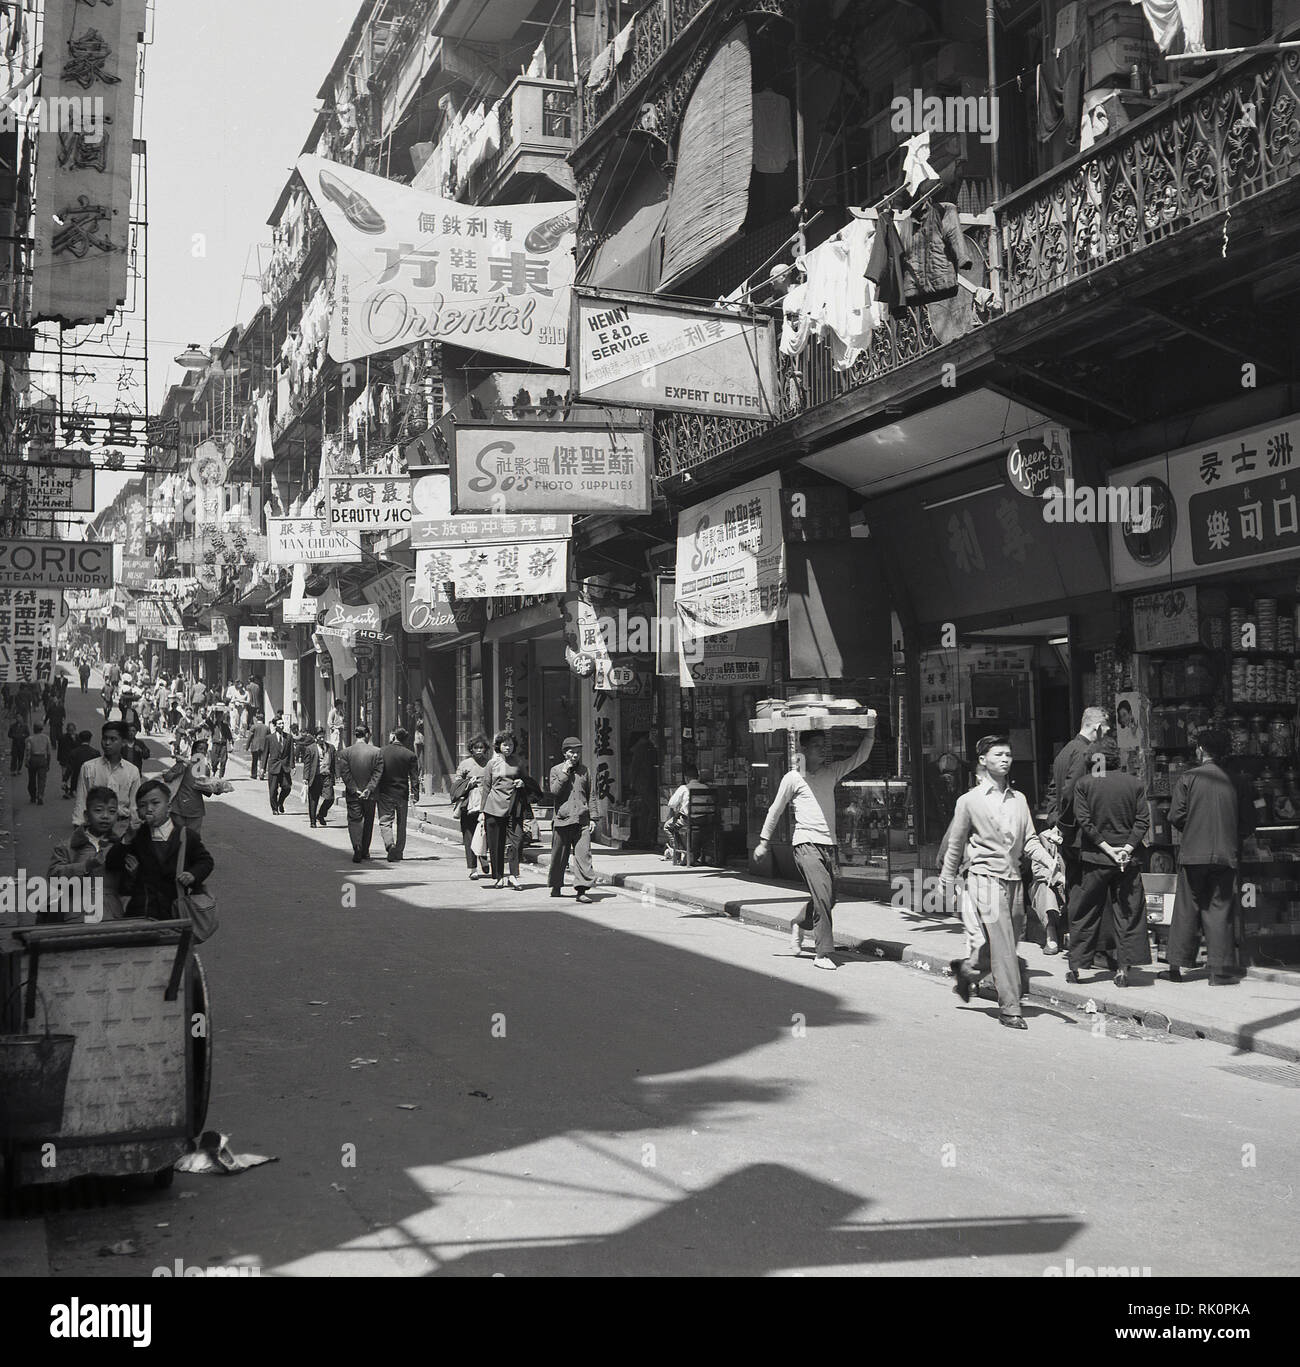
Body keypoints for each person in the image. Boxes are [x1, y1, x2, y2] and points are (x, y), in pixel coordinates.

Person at [940, 734, 1047, 1030]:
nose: (1005, 759)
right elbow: (956, 843)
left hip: (1013, 878)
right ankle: (1011, 1007)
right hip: (983, 878)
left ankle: (968, 969)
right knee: (1002, 943)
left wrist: (1048, 863)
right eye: (998, 754)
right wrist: (947, 879)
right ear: (983, 761)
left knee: (1007, 940)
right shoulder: (969, 801)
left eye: (1008, 754)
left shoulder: (1019, 800)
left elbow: (1030, 840)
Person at [754, 723, 876, 970]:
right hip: (805, 844)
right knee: (821, 895)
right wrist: (764, 841)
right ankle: (822, 953)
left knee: (829, 898)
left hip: (829, 845)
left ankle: (799, 922)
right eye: (817, 747)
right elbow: (775, 810)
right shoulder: (793, 777)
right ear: (804, 749)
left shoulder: (831, 772)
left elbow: (860, 757)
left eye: (825, 746)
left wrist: (871, 729)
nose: (823, 751)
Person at [1166, 728, 1253, 986]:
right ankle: (1218, 971)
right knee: (1219, 909)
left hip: (1193, 853)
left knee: (1186, 908)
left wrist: (1193, 828)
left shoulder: (1188, 778)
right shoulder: (1239, 781)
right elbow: (1249, 823)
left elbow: (1175, 816)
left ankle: (1176, 967)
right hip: (1226, 854)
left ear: (1201, 750)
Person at [1068, 735, 1152, 987]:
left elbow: (1084, 821)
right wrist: (1125, 848)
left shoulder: (1084, 784)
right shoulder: (1134, 784)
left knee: (1085, 911)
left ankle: (1077, 967)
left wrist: (1107, 849)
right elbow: (1142, 821)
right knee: (1128, 912)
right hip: (1128, 860)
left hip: (1095, 859)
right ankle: (1124, 969)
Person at [107, 780, 215, 920]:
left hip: (174, 910)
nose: (149, 809)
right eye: (142, 805)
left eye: (155, 803)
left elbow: (205, 861)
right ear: (138, 812)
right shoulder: (137, 835)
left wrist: (193, 874)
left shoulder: (186, 835)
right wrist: (127, 838)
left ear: (169, 807)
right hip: (141, 910)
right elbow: (111, 862)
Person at [49, 786, 127, 921]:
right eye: (98, 811)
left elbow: (127, 888)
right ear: (86, 815)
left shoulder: (119, 847)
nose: (105, 816)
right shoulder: (67, 846)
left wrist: (133, 872)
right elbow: (54, 877)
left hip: (112, 916)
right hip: (76, 915)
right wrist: (85, 866)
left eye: (112, 811)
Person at [481, 729, 541, 888]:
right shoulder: (491, 764)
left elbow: (527, 780)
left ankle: (513, 875)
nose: (508, 747)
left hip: (515, 807)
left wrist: (522, 783)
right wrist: (482, 812)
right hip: (493, 807)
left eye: (511, 745)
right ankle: (499, 876)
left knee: (517, 841)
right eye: (504, 744)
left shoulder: (519, 762)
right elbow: (486, 788)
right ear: (498, 746)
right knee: (496, 844)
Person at [548, 736, 597, 902]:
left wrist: (593, 818)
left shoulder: (585, 771)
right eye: (571, 752)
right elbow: (554, 791)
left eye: (578, 752)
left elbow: (591, 794)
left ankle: (581, 890)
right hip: (562, 819)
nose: (575, 755)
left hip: (582, 820)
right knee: (559, 856)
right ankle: (556, 886)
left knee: (583, 856)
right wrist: (565, 773)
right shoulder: (556, 770)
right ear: (564, 753)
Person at [73, 722, 142, 831]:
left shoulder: (132, 771)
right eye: (104, 739)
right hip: (94, 828)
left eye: (113, 739)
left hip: (122, 828)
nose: (107, 743)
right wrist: (78, 826)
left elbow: (134, 806)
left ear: (123, 742)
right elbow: (81, 801)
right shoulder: (89, 768)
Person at [162, 734, 230, 836]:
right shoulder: (183, 764)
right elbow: (167, 778)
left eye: (205, 750)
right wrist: (179, 770)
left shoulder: (205, 769)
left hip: (195, 811)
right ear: (194, 751)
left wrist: (217, 789)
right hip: (178, 809)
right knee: (176, 838)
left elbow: (207, 793)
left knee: (193, 841)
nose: (202, 752)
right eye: (200, 749)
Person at [338, 724, 384, 862]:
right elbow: (378, 773)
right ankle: (365, 850)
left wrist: (354, 789)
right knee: (368, 821)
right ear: (367, 735)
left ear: (355, 735)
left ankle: (357, 846)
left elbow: (345, 774)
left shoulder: (345, 752)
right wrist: (369, 789)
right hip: (370, 794)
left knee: (354, 820)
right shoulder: (377, 752)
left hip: (353, 794)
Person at [376, 726, 421, 862]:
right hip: (402, 793)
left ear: (394, 736)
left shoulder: (382, 752)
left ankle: (390, 845)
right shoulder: (410, 755)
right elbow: (414, 777)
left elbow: (377, 773)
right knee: (402, 824)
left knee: (385, 822)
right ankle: (399, 852)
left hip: (385, 792)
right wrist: (415, 794)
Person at [450, 735, 491, 879]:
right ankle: (473, 868)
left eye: (482, 748)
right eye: (476, 748)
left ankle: (483, 858)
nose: (479, 750)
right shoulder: (465, 764)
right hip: (468, 804)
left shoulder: (490, 764)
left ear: (485, 749)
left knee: (485, 834)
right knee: (469, 836)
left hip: (486, 804)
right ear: (471, 749)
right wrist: (468, 784)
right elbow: (457, 784)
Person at [664, 763, 710, 863]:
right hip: (704, 820)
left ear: (686, 778)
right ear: (698, 777)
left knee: (667, 826)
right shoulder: (706, 788)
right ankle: (691, 853)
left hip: (689, 820)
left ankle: (681, 851)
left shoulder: (684, 788)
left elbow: (671, 804)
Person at [303, 728, 337, 827]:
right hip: (315, 776)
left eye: (323, 737)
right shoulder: (310, 748)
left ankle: (321, 814)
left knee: (330, 798)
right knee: (313, 799)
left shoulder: (331, 747)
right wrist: (306, 777)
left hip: (327, 776)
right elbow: (307, 764)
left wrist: (337, 774)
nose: (322, 739)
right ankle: (313, 821)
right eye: (319, 737)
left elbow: (334, 762)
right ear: (315, 737)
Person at [264, 715, 294, 814]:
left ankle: (280, 802)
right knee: (273, 790)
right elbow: (265, 754)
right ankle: (274, 808)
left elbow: (291, 753)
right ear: (275, 725)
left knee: (287, 787)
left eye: (282, 723)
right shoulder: (269, 738)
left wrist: (292, 766)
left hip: (284, 767)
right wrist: (262, 768)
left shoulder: (288, 737)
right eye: (279, 724)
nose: (281, 725)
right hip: (273, 766)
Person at [24, 721, 53, 804]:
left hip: (33, 759)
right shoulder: (46, 738)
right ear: (41, 729)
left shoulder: (29, 739)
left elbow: (28, 750)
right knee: (42, 779)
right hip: (42, 759)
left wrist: (26, 761)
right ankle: (40, 795)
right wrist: (48, 763)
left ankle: (33, 796)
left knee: (32, 779)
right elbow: (49, 752)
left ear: (34, 729)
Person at [66, 730, 99, 797]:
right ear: (90, 739)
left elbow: (70, 767)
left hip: (77, 777)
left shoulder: (74, 752)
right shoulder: (95, 752)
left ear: (80, 739)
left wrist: (65, 779)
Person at [208, 706, 233, 778]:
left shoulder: (225, 725)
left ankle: (221, 775)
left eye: (221, 716)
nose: (220, 717)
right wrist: (211, 711)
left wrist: (231, 743)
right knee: (214, 760)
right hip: (215, 744)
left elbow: (229, 735)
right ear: (216, 716)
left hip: (223, 745)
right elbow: (207, 719)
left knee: (223, 760)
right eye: (218, 716)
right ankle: (214, 769)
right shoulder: (213, 725)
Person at [57, 721, 79, 798]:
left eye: (72, 730)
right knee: (65, 775)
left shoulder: (77, 737)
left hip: (74, 760)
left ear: (75, 730)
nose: (71, 732)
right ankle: (67, 790)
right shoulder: (62, 737)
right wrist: (59, 758)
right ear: (67, 730)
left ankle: (72, 790)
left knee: (74, 775)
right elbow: (60, 748)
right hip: (64, 759)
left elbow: (78, 748)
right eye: (69, 730)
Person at [246, 714, 270, 780]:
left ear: (257, 719)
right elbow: (269, 738)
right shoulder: (267, 728)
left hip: (255, 746)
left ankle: (254, 774)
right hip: (264, 746)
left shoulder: (253, 727)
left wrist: (247, 746)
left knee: (254, 760)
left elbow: (250, 737)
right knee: (263, 760)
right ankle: (262, 773)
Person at [7, 711, 29, 776]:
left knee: (20, 757)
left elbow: (28, 734)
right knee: (14, 757)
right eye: (17, 717)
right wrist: (14, 736)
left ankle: (19, 769)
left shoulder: (25, 726)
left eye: (19, 717)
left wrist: (23, 736)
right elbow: (9, 734)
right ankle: (13, 770)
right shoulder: (12, 726)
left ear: (22, 718)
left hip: (22, 744)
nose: (18, 718)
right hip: (15, 744)